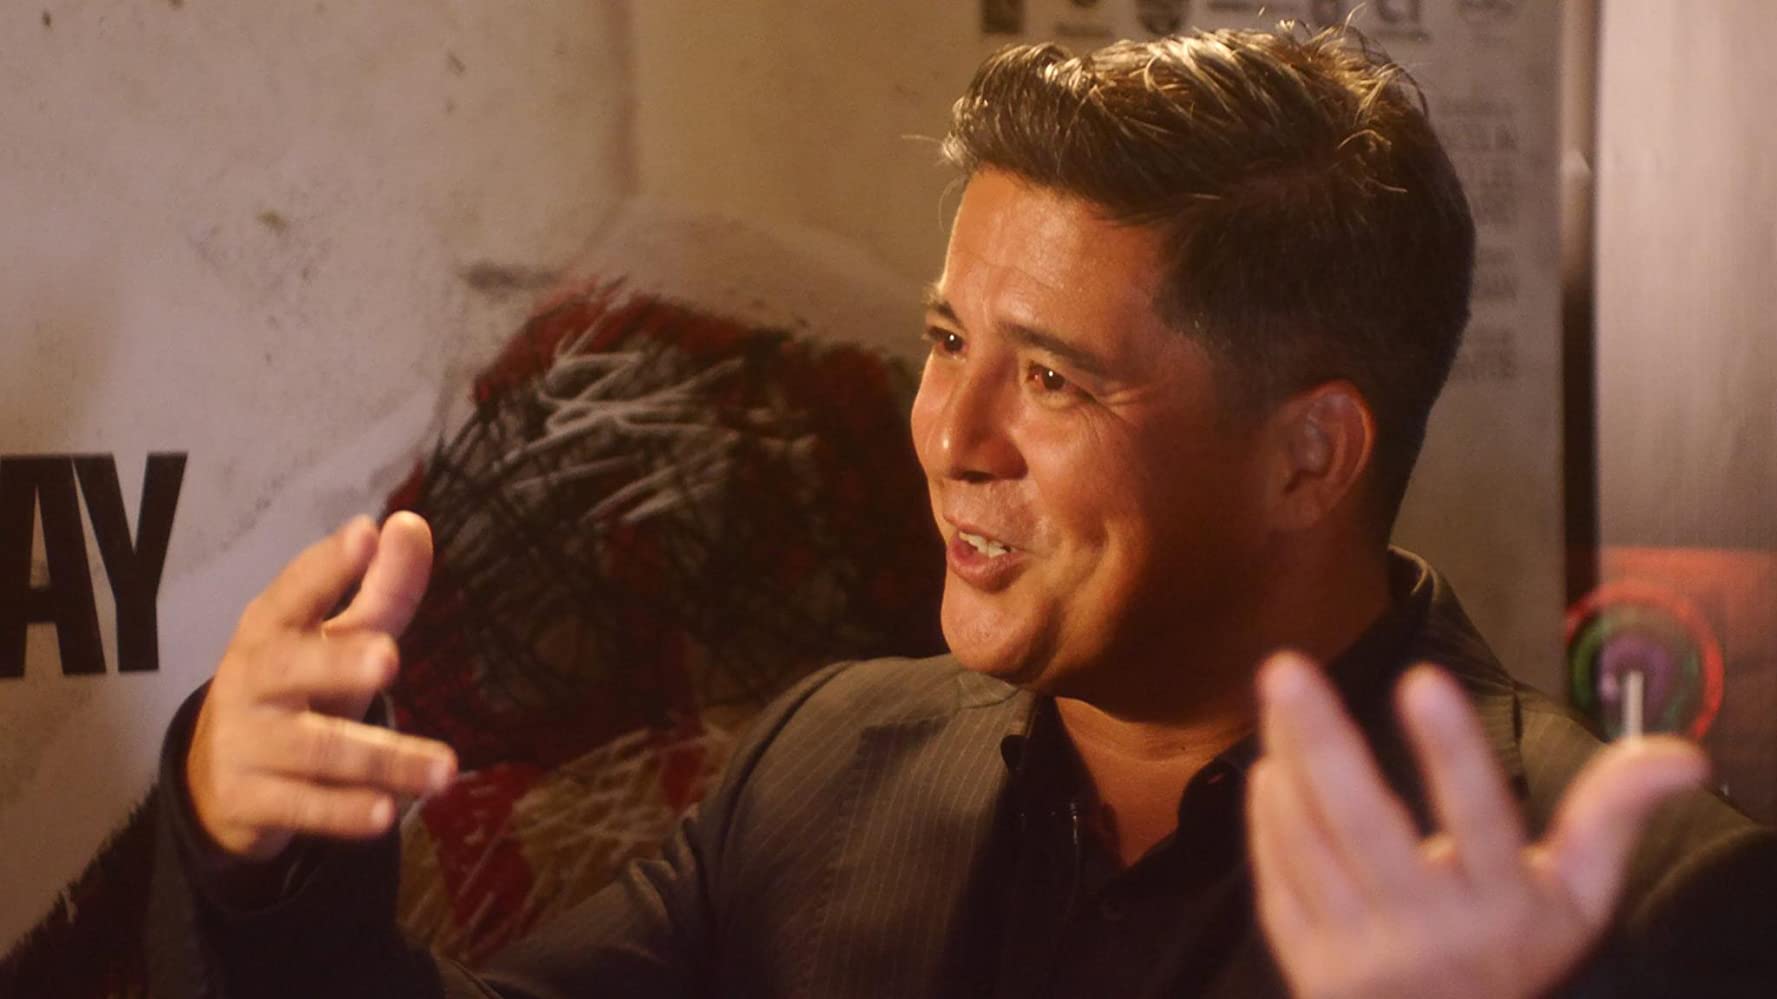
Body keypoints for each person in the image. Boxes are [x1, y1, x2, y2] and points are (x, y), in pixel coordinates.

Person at [149, 25, 1776, 998]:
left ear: (1307, 456)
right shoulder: (829, 764)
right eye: (945, 342)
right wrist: (265, 851)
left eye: (1052, 378)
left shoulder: (1640, 898)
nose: (947, 433)